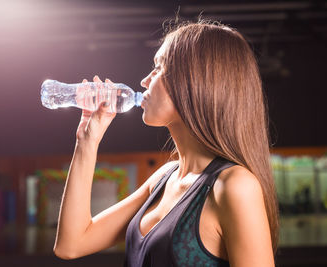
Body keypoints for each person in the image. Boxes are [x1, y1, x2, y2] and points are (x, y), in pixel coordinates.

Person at [53, 20, 279, 267]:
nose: (144, 80)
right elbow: (71, 245)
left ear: (196, 83)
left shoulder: (235, 186)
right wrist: (87, 141)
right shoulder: (164, 178)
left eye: (160, 68)